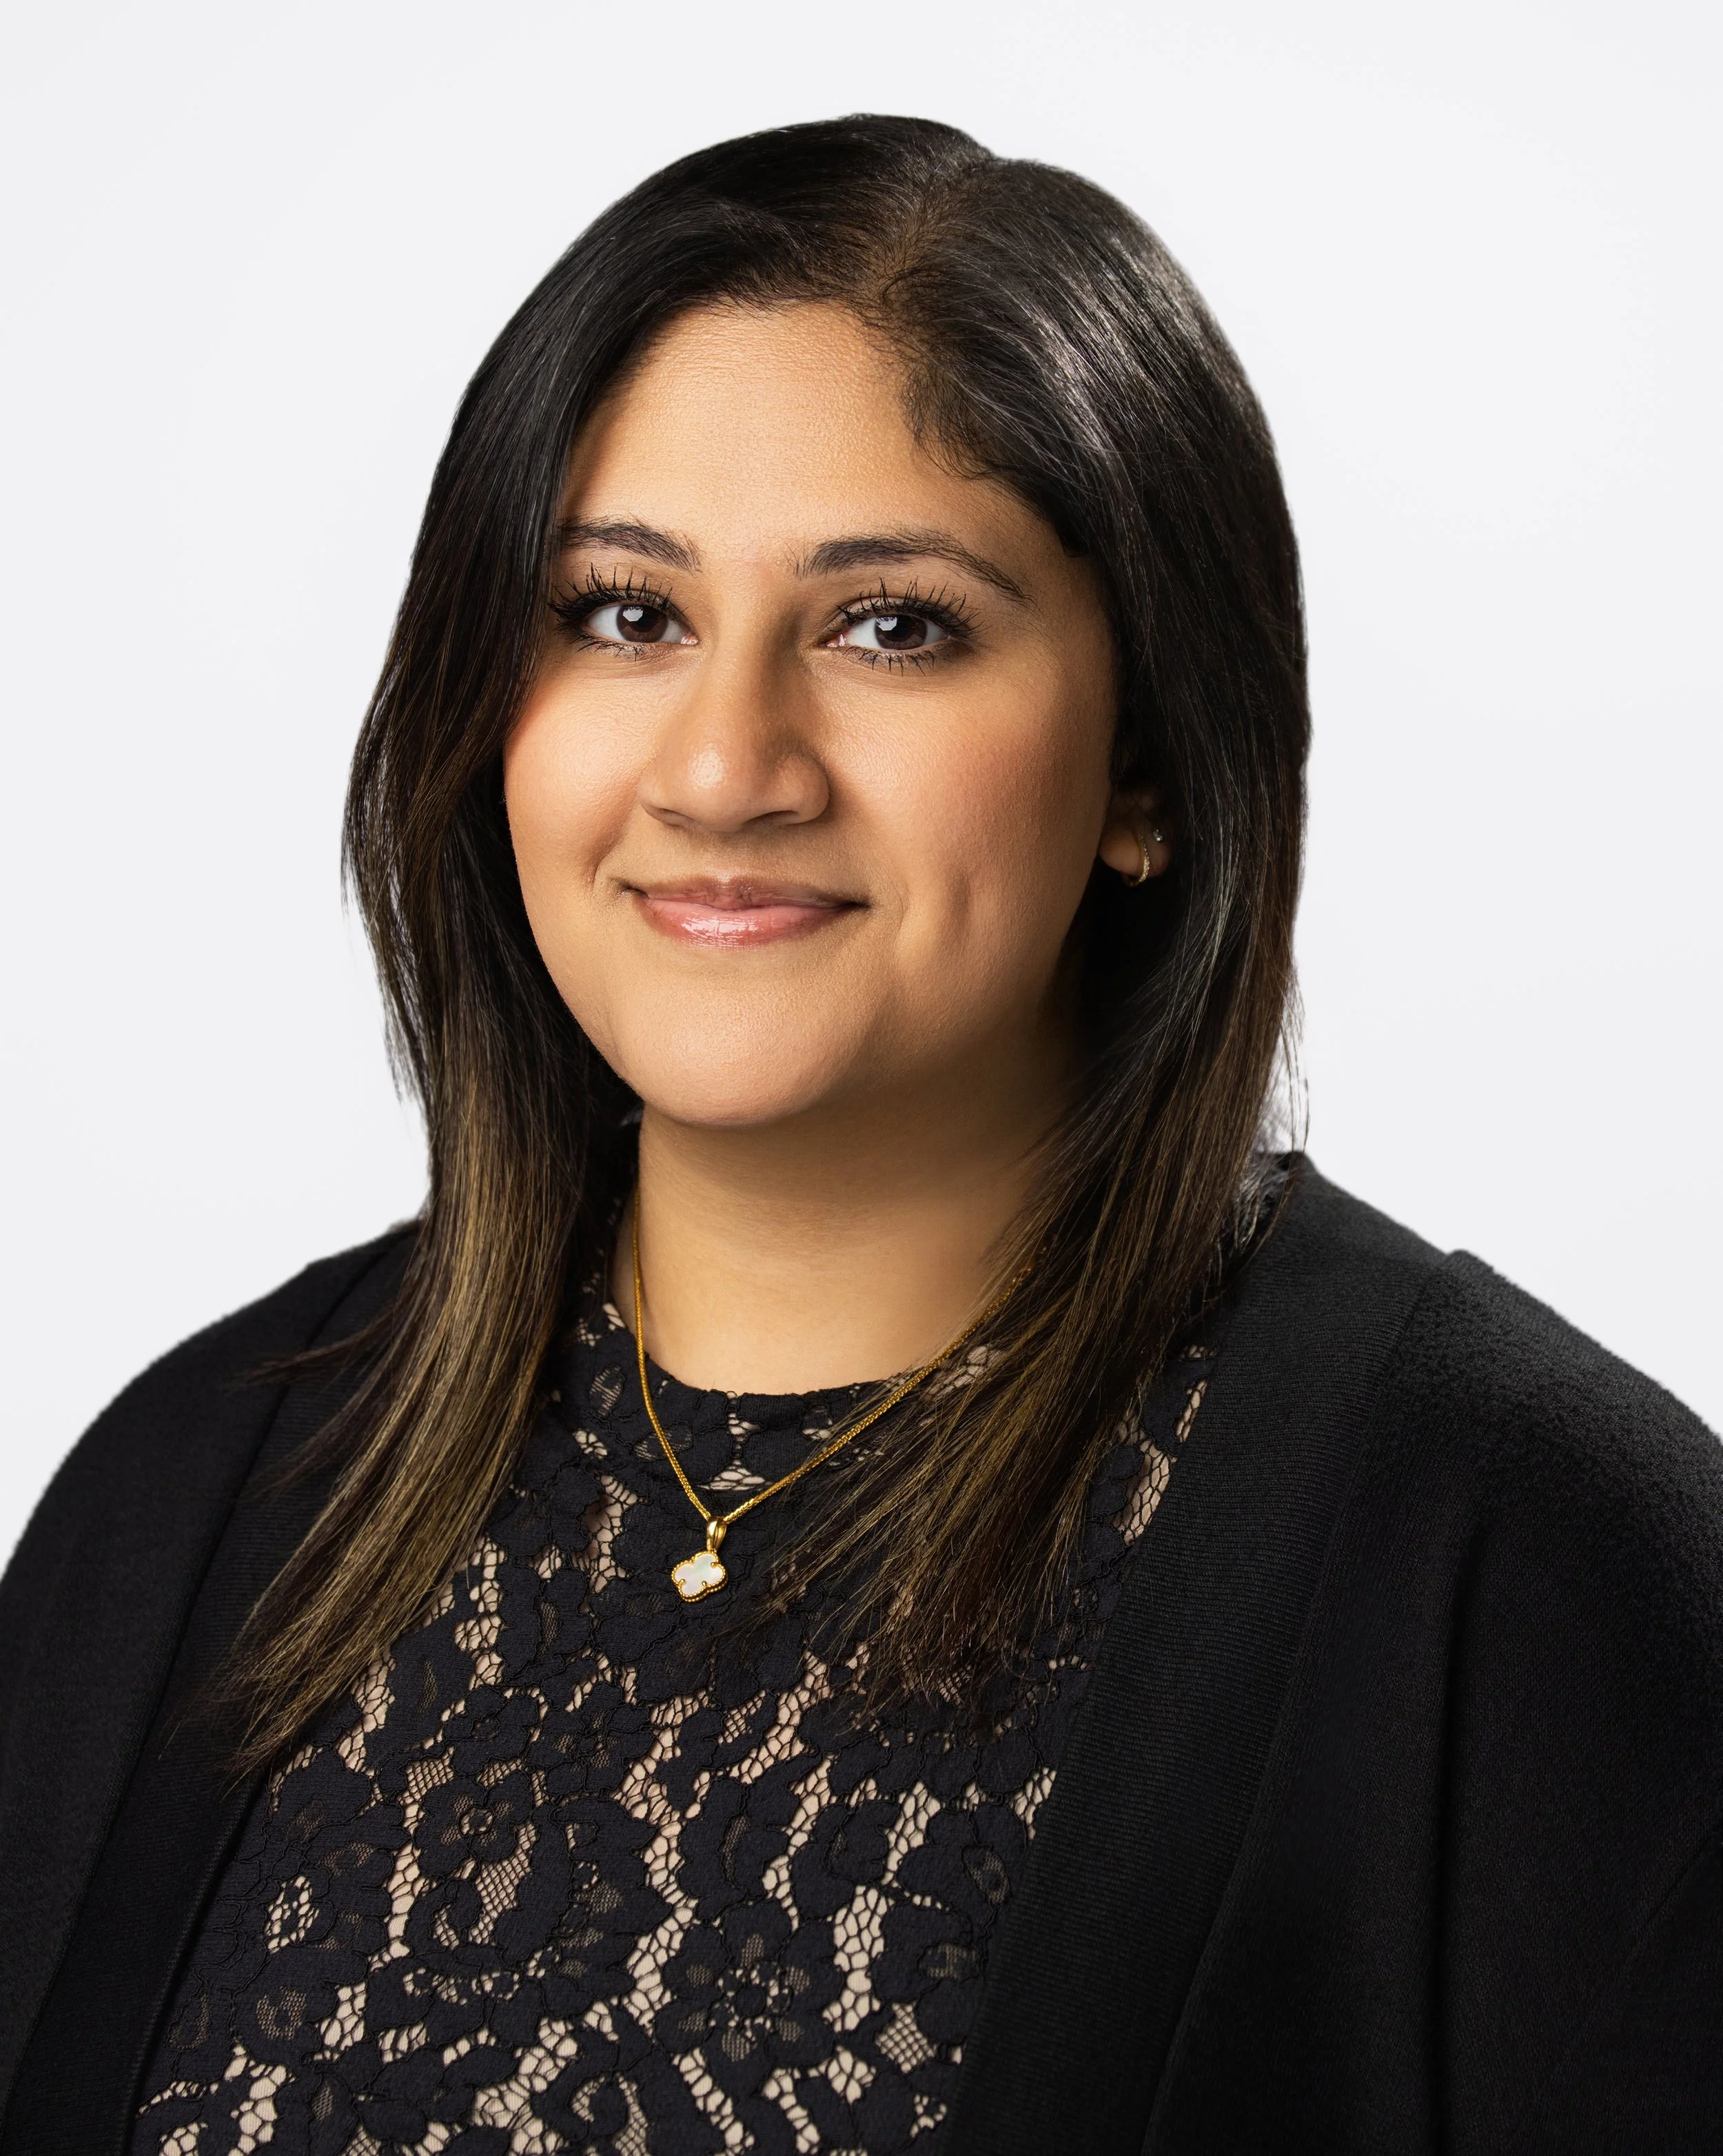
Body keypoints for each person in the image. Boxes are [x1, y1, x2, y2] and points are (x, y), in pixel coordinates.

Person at [1, 114, 1717, 2156]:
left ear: (1147, 765)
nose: (725, 766)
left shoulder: (1541, 1582)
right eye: (622, 615)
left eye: (890, 624)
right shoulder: (185, 1499)